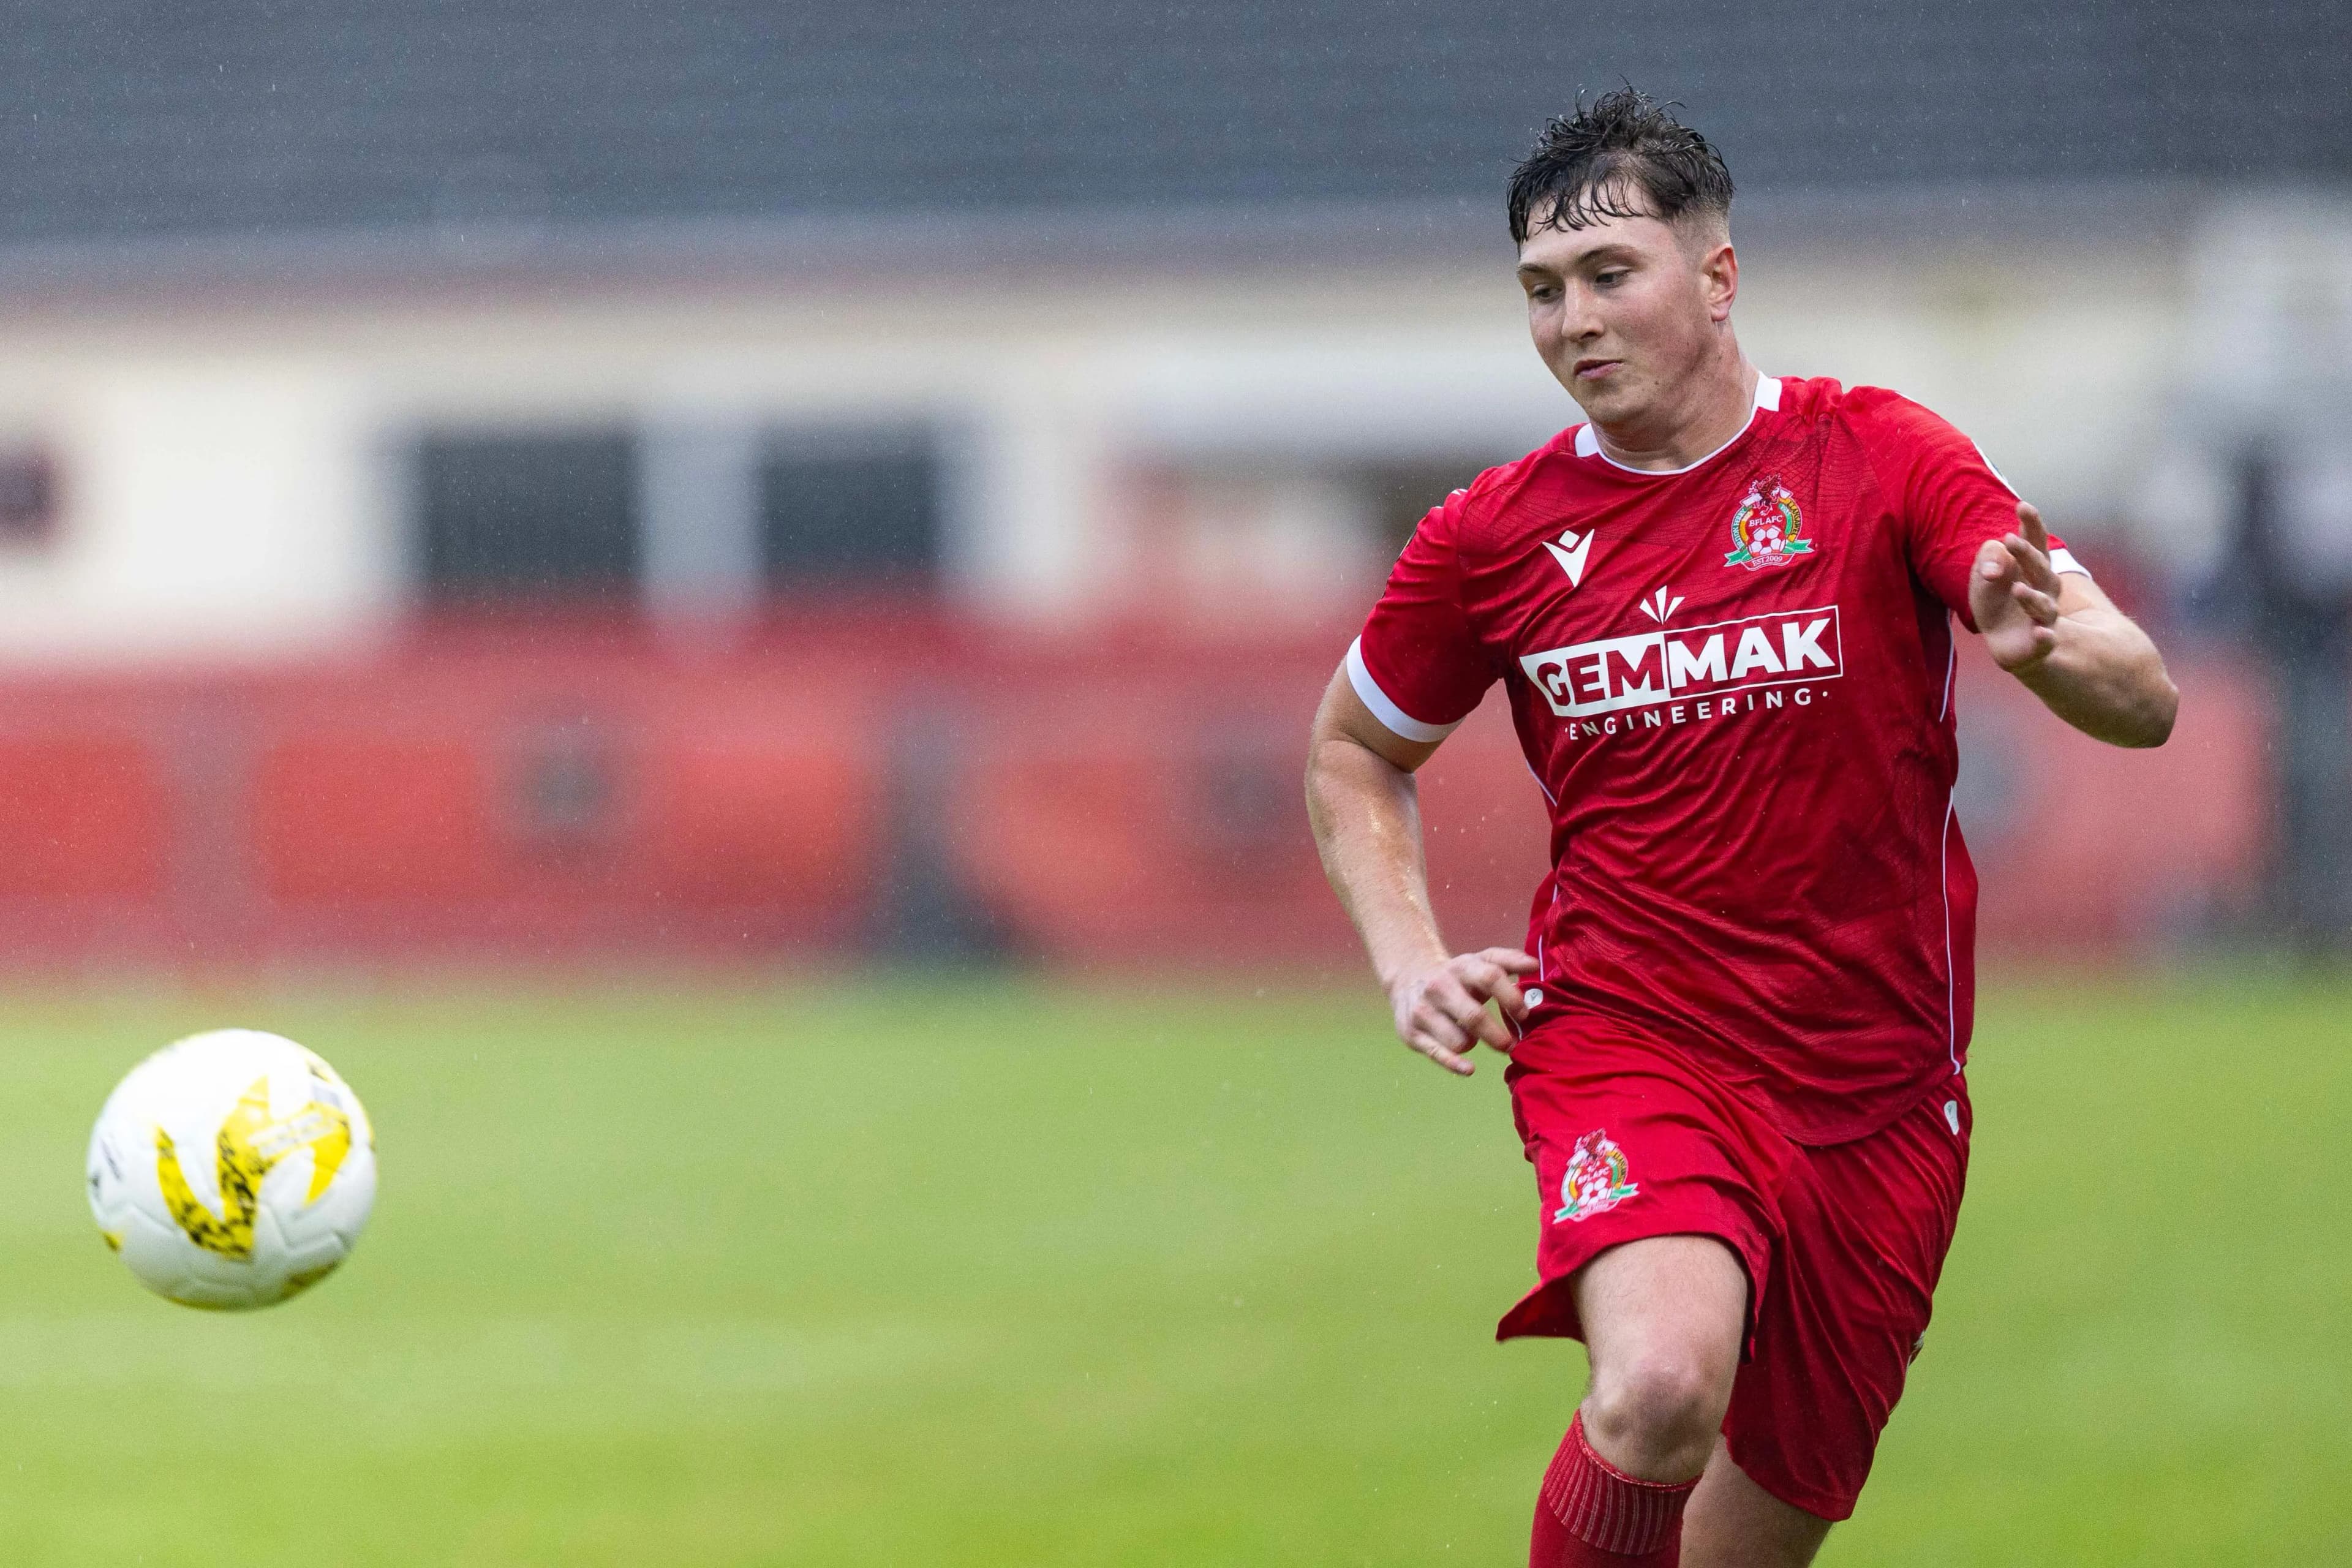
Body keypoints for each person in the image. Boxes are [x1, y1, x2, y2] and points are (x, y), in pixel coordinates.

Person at [1302, 89, 2177, 1567]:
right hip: (1631, 1038)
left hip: (1879, 1087)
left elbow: (2143, 697)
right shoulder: (1493, 537)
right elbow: (1350, 753)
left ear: (1717, 277)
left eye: (1607, 274)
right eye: (1539, 289)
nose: (1571, 319)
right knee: (1654, 1390)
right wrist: (1408, 958)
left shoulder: (1880, 454)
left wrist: (2056, 653)